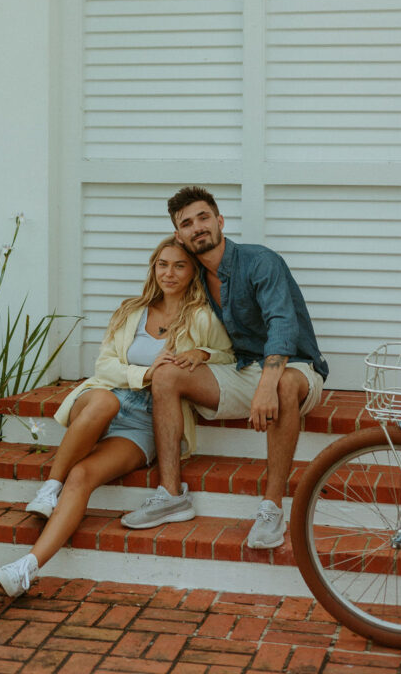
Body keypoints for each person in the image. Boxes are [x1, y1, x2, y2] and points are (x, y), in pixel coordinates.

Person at [0, 234, 233, 597]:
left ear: (192, 271)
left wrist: (202, 354)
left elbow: (228, 355)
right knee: (105, 403)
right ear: (153, 268)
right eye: (163, 264)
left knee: (83, 474)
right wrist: (145, 374)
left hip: (144, 422)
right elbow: (104, 364)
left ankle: (25, 568)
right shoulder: (132, 311)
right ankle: (49, 488)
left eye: (179, 265)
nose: (169, 272)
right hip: (104, 398)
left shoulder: (200, 317)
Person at [121, 186, 328, 549]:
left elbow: (282, 322)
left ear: (219, 221)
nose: (197, 227)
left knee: (280, 386)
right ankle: (171, 495)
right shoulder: (195, 277)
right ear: (178, 235)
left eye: (203, 218)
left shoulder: (260, 261)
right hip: (242, 369)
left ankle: (272, 509)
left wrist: (268, 381)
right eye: (187, 223)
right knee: (168, 374)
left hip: (296, 369)